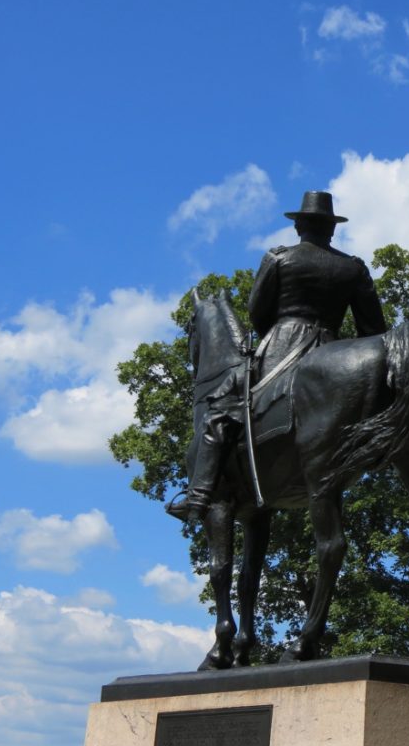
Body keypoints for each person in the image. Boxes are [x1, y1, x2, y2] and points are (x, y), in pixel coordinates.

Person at [166, 191, 388, 522]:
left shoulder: (278, 258)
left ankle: (198, 496)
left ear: (299, 226)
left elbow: (257, 314)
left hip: (280, 350)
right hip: (332, 352)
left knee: (219, 409)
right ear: (331, 229)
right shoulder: (352, 268)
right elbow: (372, 329)